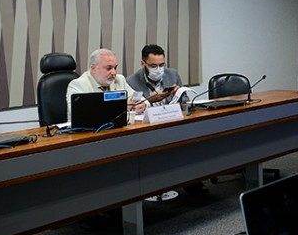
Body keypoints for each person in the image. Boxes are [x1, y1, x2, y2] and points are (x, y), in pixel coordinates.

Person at [127, 44, 207, 198]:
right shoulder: (131, 81)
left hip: (173, 123)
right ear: (143, 64)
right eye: (153, 66)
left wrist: (179, 96)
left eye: (162, 65)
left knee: (191, 141)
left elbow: (185, 102)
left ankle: (192, 181)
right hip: (148, 129)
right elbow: (133, 110)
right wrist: (150, 100)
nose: (159, 69)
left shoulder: (172, 74)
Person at [66, 48, 146, 121]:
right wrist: (119, 108)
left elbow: (139, 98)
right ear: (93, 69)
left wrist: (142, 105)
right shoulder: (78, 85)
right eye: (108, 68)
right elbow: (79, 113)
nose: (114, 73)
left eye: (115, 68)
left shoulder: (119, 80)